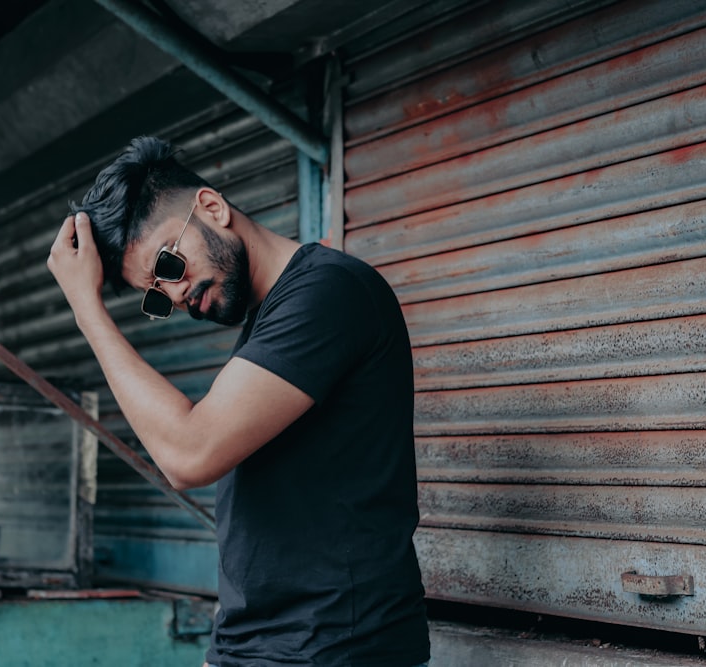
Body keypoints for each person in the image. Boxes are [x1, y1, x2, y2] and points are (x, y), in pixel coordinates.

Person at [47, 136, 430, 667]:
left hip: (335, 650)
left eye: (169, 264)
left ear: (212, 207)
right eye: (156, 294)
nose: (174, 295)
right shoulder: (267, 324)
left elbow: (189, 453)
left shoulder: (328, 294)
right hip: (263, 647)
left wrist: (87, 309)